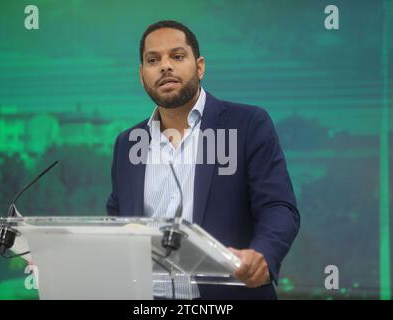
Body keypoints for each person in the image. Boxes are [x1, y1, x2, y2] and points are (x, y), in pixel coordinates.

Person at [106, 20, 300, 299]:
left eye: (177, 56)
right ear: (142, 75)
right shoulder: (127, 143)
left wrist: (262, 254)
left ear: (200, 66)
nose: (165, 66)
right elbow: (118, 220)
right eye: (153, 60)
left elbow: (278, 207)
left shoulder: (246, 125)